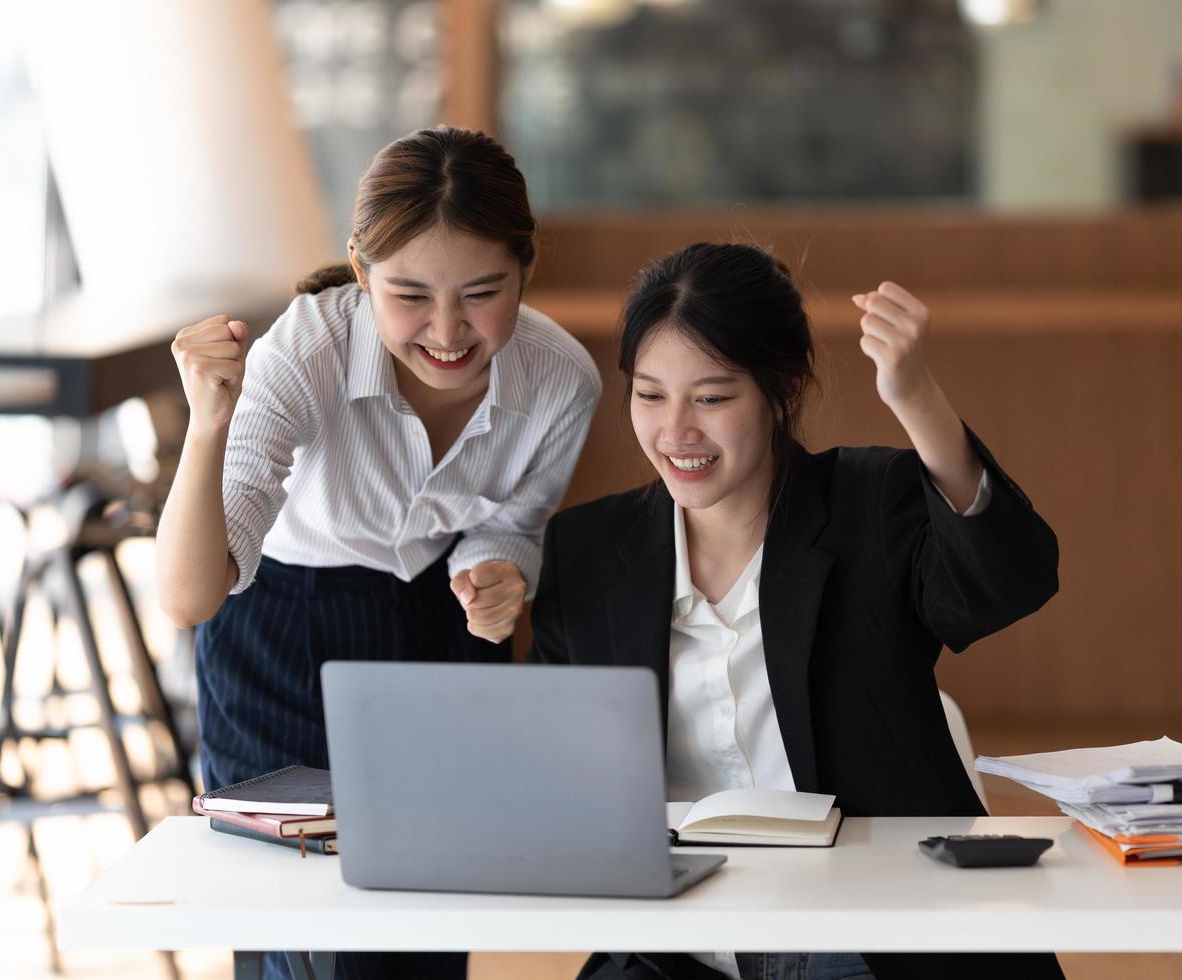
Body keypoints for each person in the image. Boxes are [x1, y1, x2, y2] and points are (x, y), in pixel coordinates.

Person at [529, 243, 1063, 980]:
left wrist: (917, 399)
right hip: (681, 950)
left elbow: (1013, 579)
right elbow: (553, 775)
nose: (675, 432)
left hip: (871, 940)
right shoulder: (589, 551)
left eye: (711, 398)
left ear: (780, 391)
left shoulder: (867, 506)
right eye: (649, 395)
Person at [157, 126, 601, 980]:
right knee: (295, 935)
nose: (446, 330)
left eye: (481, 293)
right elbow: (187, 597)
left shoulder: (561, 378)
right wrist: (209, 422)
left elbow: (516, 517)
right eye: (409, 295)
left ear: (526, 270)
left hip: (443, 629)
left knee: (424, 930)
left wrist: (501, 571)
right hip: (282, 624)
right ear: (360, 272)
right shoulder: (307, 350)